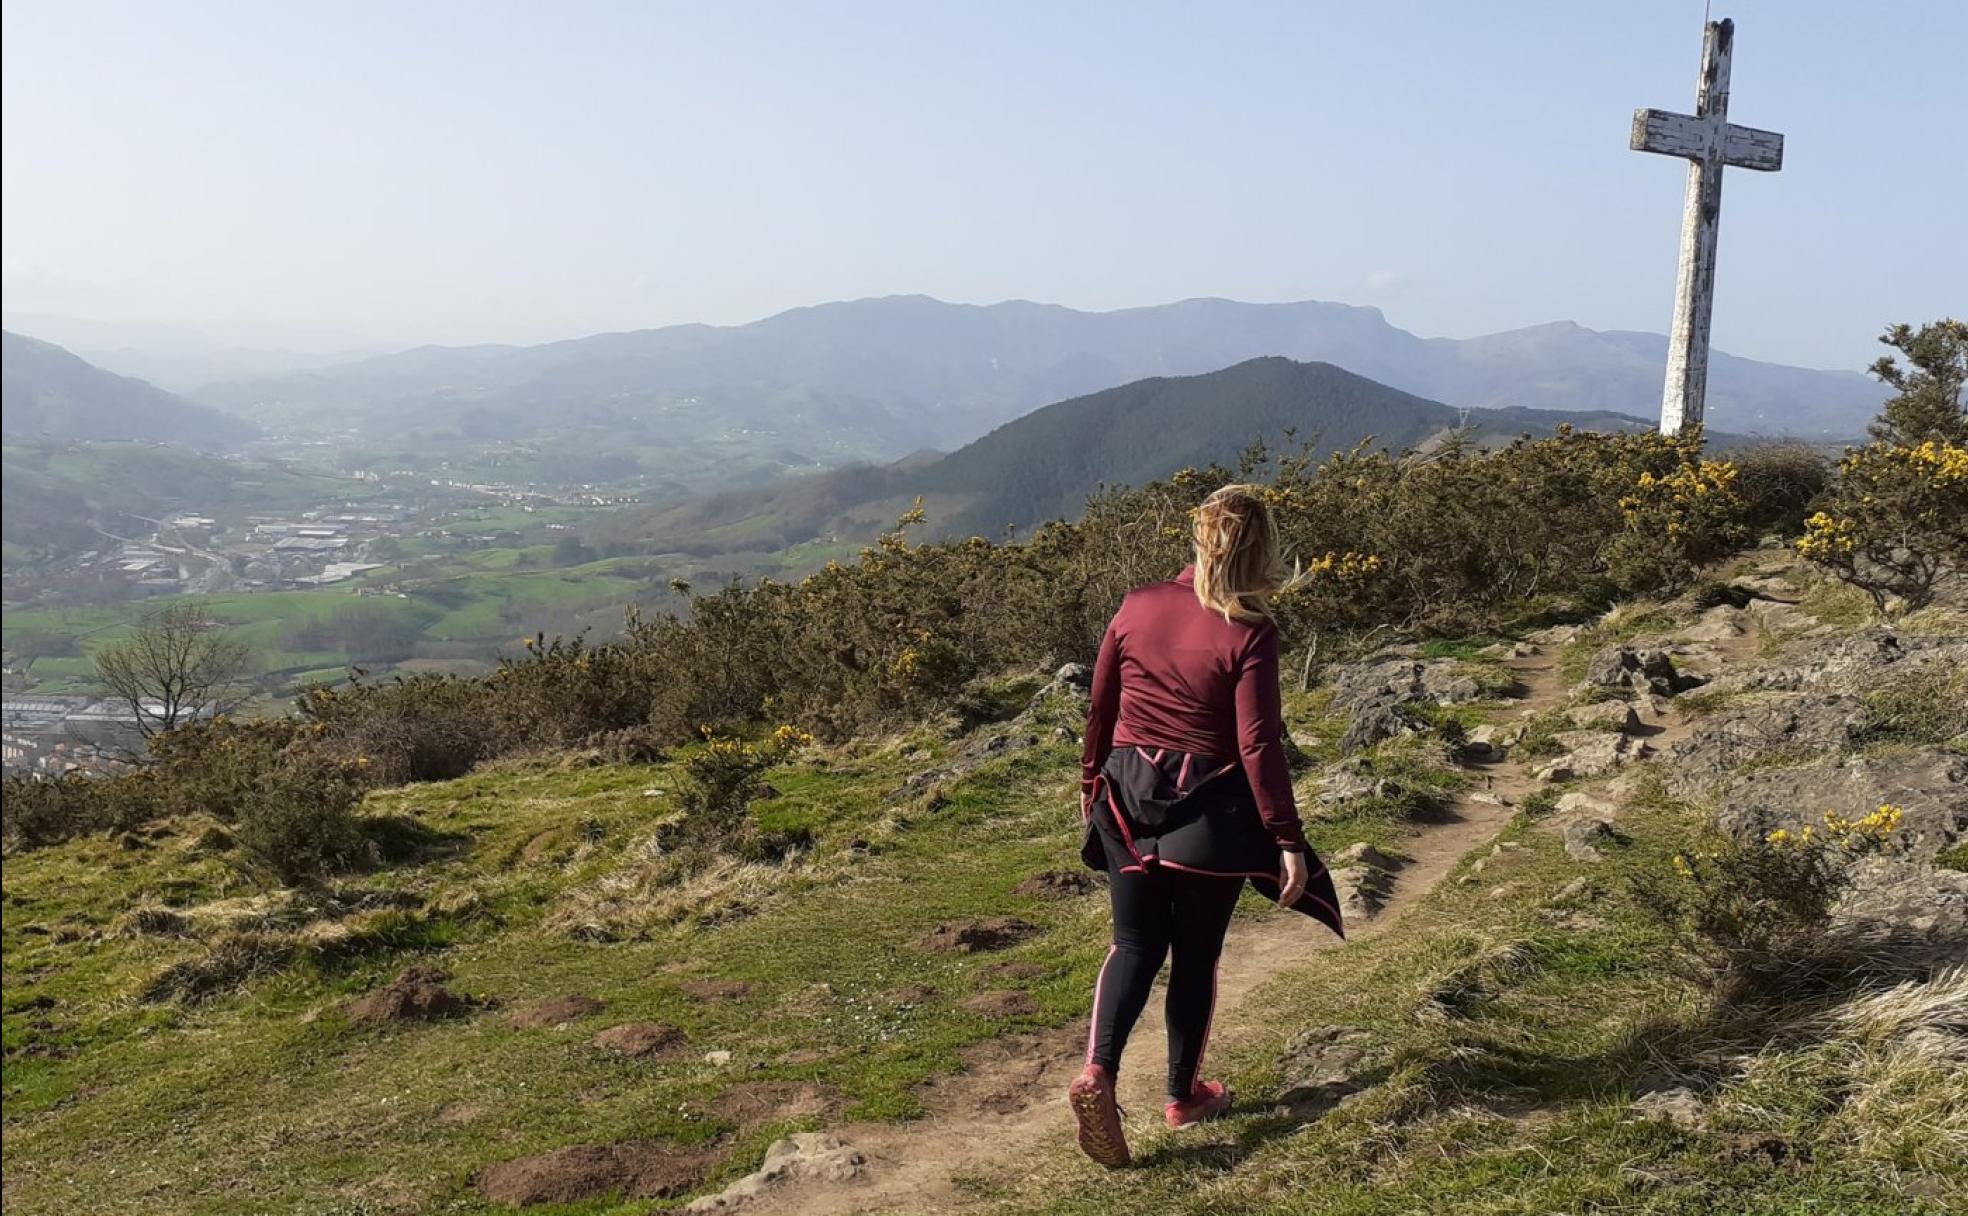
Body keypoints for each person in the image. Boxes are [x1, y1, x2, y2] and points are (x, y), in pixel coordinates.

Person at [1067, 484, 1343, 1168]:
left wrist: (1089, 783)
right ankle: (1183, 1096)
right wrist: (1286, 839)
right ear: (1262, 551)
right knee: (1195, 957)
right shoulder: (1251, 631)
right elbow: (1257, 745)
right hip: (1209, 816)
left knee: (1132, 943)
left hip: (1125, 800)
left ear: (1197, 538)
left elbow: (1101, 707)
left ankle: (1098, 1072)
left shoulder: (1138, 604)